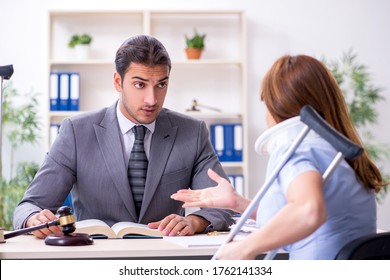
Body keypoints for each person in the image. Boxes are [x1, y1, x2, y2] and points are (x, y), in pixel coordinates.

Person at [13, 35, 234, 238]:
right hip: (95, 255)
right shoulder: (76, 132)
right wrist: (34, 218)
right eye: (140, 85)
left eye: (161, 85)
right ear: (118, 82)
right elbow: (28, 206)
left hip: (163, 257)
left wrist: (194, 221)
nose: (152, 99)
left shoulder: (192, 132)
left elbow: (225, 205)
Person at [171, 54, 387, 260]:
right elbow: (293, 216)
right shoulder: (340, 155)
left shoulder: (295, 149)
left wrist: (246, 247)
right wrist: (237, 202)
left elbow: (308, 210)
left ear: (277, 106)